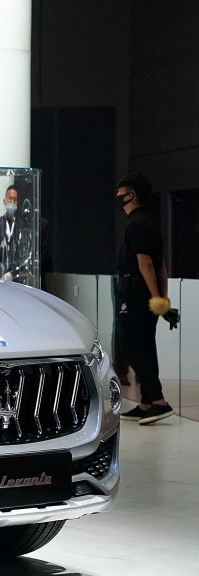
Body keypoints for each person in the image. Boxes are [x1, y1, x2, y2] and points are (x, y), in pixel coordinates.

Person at [115, 173, 174, 424]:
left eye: (121, 192)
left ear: (131, 195)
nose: (117, 197)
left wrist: (154, 296)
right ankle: (147, 402)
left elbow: (146, 263)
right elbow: (161, 266)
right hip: (148, 297)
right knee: (146, 347)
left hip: (135, 294)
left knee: (130, 346)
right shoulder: (150, 222)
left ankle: (159, 400)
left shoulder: (136, 224)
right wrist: (162, 299)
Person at [0, 185, 23, 282]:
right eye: (10, 199)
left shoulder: (23, 225)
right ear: (4, 201)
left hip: (18, 277)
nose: (12, 202)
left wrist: (13, 273)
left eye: (15, 199)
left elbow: (23, 254)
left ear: (18, 202)